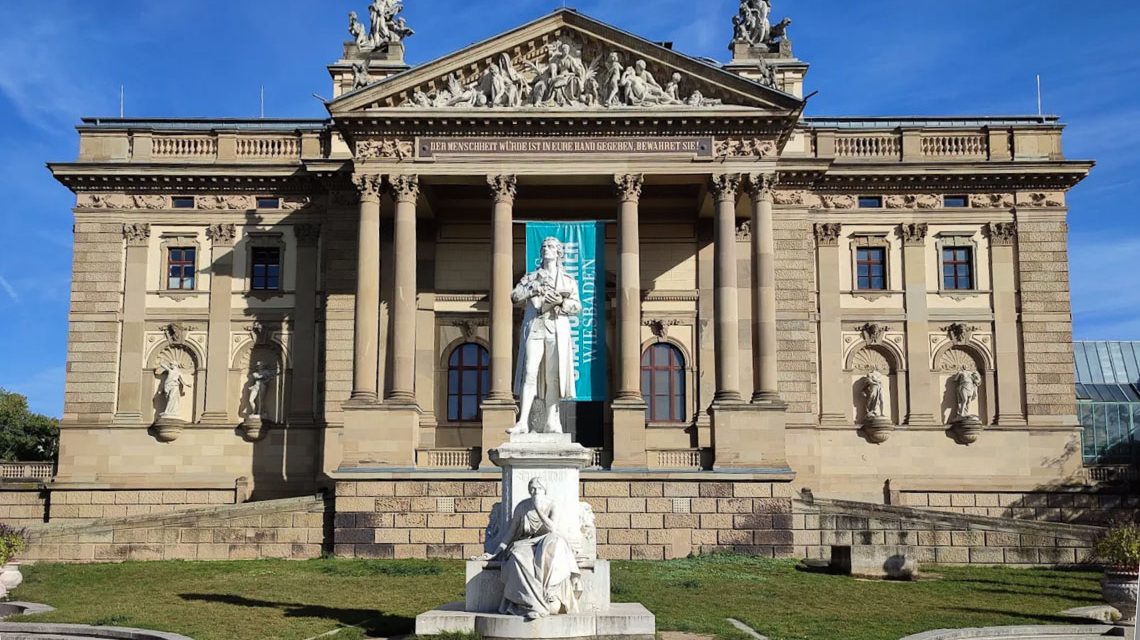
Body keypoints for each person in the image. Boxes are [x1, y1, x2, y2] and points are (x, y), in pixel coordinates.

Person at [476, 478, 582, 620]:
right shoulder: (522, 506)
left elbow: (552, 528)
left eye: (538, 488)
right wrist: (495, 553)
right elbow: (511, 533)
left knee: (554, 546)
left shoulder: (552, 504)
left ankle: (550, 593)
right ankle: (530, 603)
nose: (535, 492)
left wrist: (538, 509)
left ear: (544, 490)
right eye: (532, 488)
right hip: (526, 542)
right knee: (516, 556)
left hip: (547, 539)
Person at [510, 237, 582, 434]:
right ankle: (523, 422)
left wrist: (561, 302)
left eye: (550, 247)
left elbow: (577, 305)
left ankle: (552, 421)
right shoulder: (531, 277)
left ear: (558, 253)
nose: (545, 249)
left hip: (556, 328)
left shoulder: (568, 280)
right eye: (543, 246)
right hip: (535, 326)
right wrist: (534, 288)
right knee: (529, 371)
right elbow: (515, 296)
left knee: (553, 375)